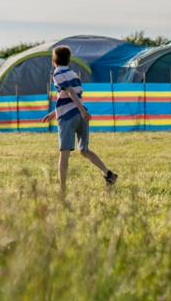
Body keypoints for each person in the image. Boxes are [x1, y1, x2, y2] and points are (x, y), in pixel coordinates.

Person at [41, 45, 118, 192]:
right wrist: (54, 113)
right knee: (84, 150)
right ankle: (108, 174)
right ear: (69, 60)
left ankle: (62, 190)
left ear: (53, 60)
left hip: (70, 117)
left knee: (64, 154)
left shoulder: (57, 73)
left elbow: (69, 92)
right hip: (81, 116)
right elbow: (71, 96)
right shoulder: (74, 75)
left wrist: (82, 110)